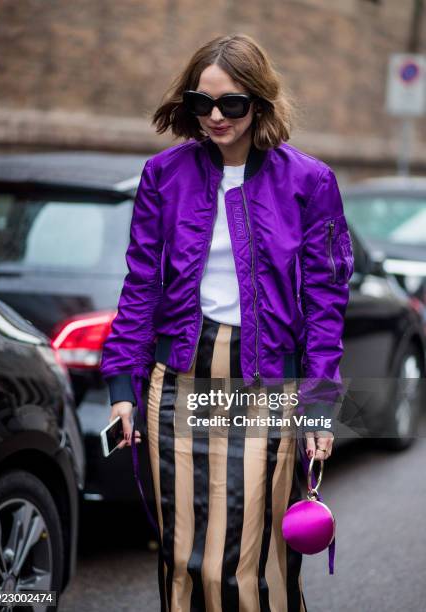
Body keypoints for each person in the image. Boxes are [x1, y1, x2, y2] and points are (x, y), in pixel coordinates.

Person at [99, 33, 354, 612]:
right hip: (178, 381)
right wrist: (123, 389)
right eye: (201, 102)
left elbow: (325, 307)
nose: (215, 116)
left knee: (254, 554)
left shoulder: (309, 182)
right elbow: (140, 286)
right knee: (181, 551)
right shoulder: (163, 175)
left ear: (259, 101)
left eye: (231, 103)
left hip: (266, 385)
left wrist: (318, 408)